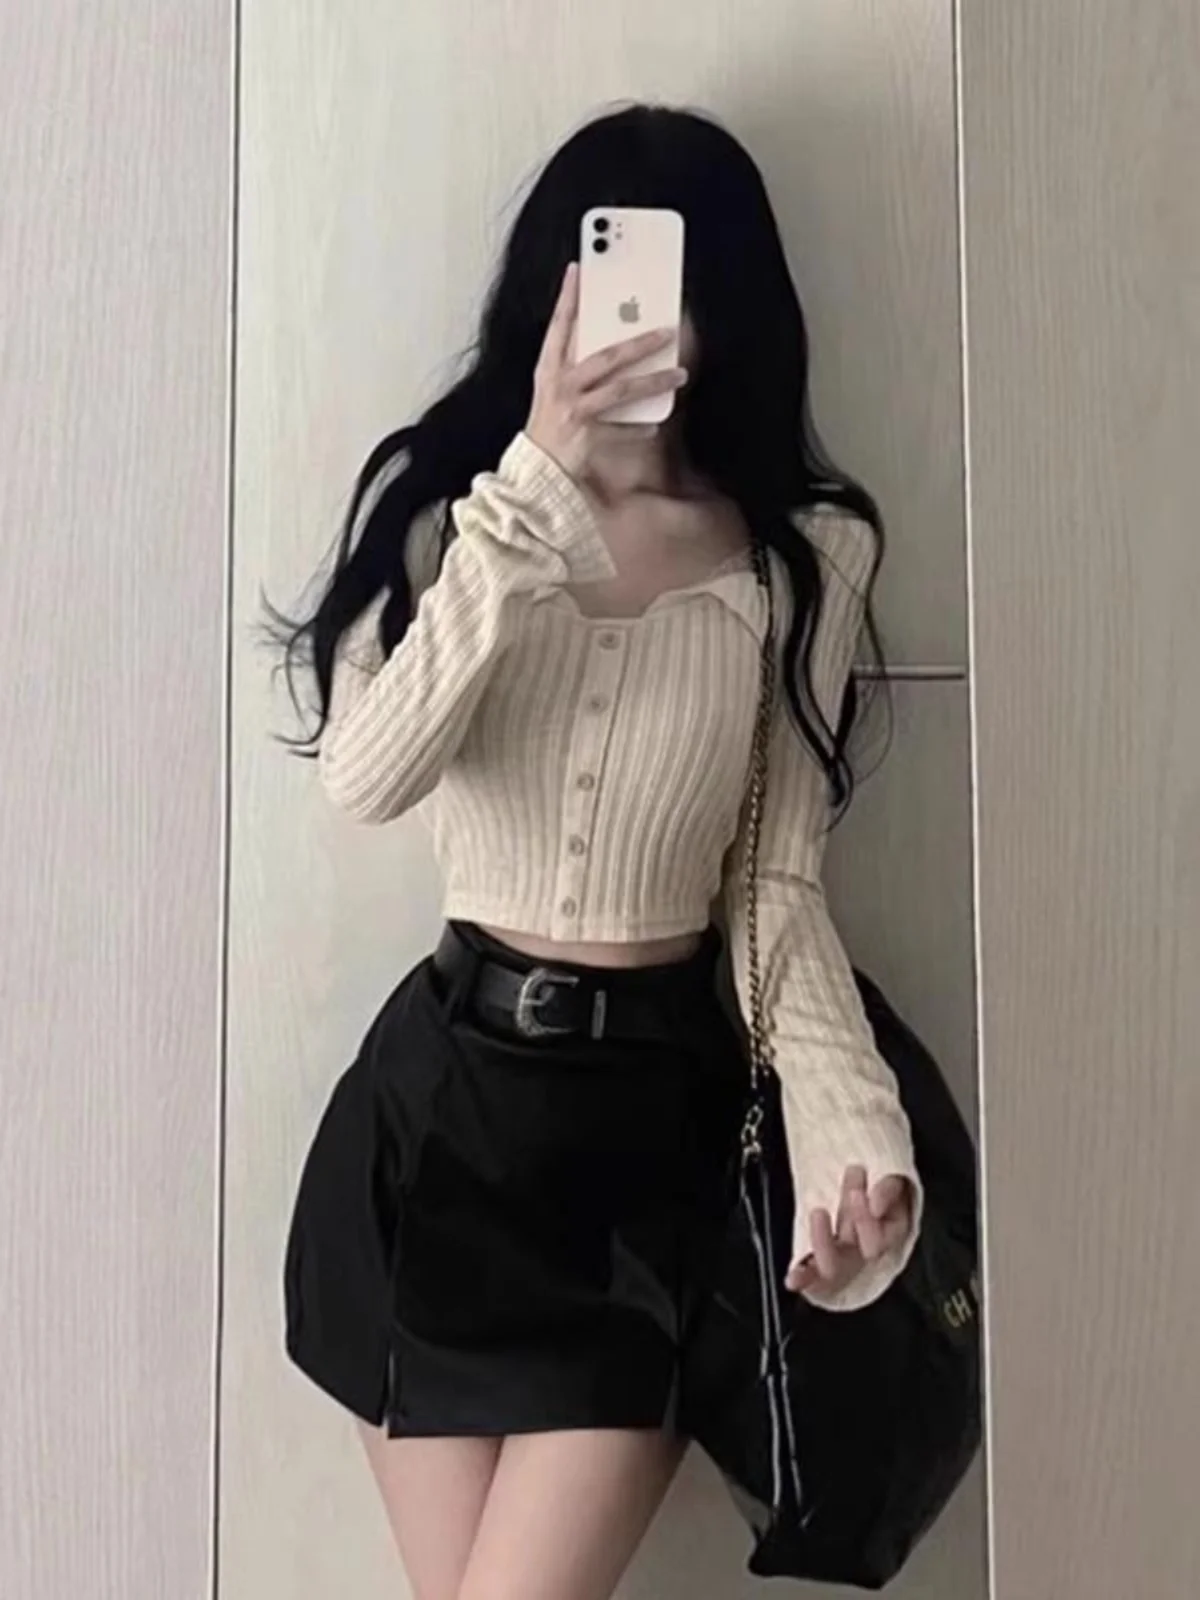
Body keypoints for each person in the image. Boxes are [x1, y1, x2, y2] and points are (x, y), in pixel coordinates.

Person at [276, 104, 921, 1600]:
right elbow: (367, 780)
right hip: (432, 1130)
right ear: (556, 289)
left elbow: (774, 887)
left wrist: (853, 1131)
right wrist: (532, 492)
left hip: (644, 1160)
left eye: (684, 281)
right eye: (621, 274)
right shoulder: (452, 517)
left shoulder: (802, 556)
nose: (653, 322)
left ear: (732, 304)